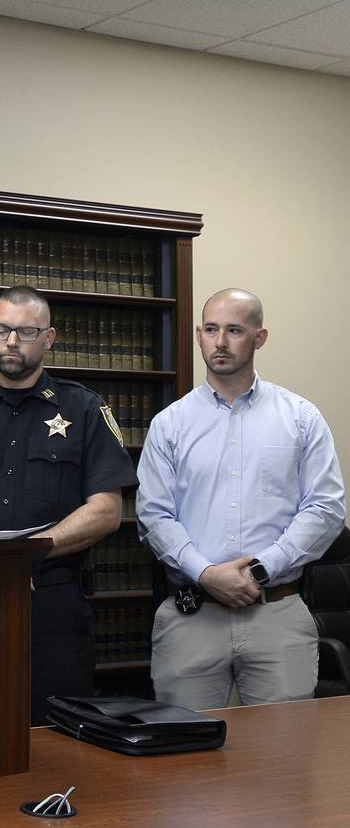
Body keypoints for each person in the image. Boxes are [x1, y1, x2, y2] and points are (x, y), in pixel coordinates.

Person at [0, 286, 136, 724]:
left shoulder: (86, 410)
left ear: (49, 338)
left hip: (53, 602)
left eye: (25, 331)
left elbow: (107, 510)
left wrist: (24, 556)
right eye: (1, 330)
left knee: (55, 733)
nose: (11, 342)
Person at [137, 288, 344, 711]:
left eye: (234, 330)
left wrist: (262, 570)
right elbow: (154, 516)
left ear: (259, 337)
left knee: (281, 761)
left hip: (277, 613)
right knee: (185, 762)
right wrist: (207, 573)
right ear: (198, 335)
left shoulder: (300, 418)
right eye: (211, 330)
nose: (221, 341)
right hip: (192, 616)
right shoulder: (170, 425)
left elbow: (325, 508)